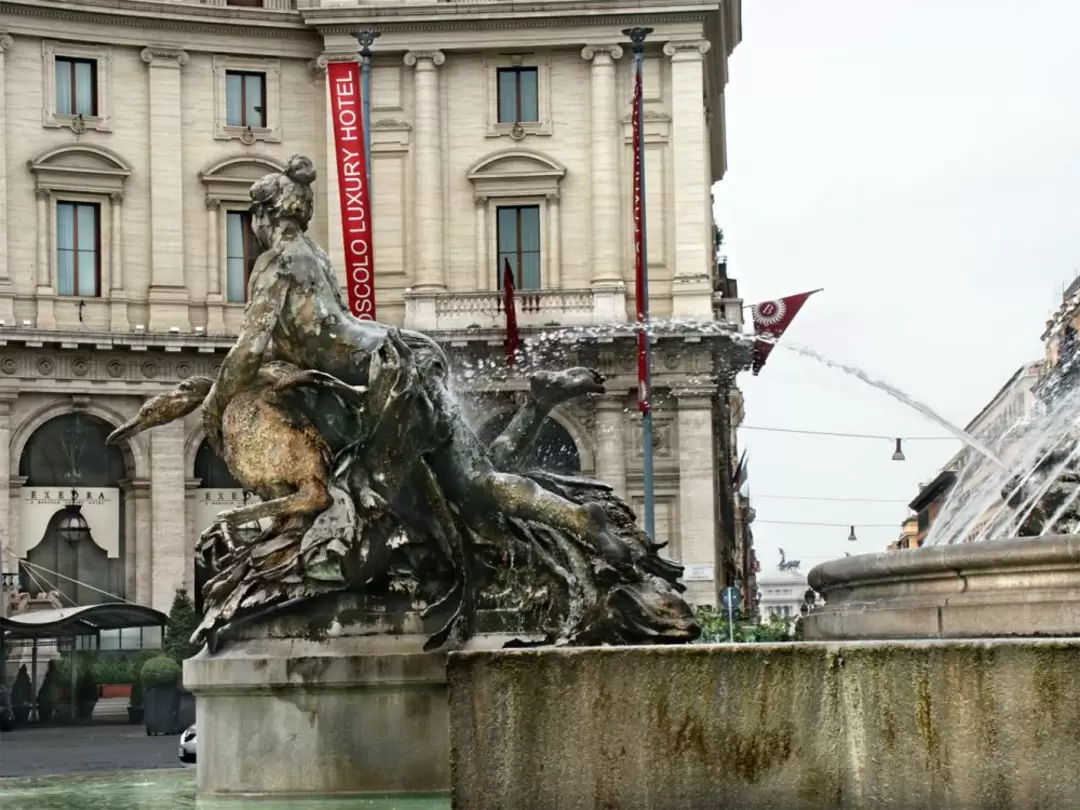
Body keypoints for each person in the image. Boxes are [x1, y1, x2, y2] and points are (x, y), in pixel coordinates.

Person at [201, 155, 632, 569]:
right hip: (403, 353)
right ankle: (567, 489)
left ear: (264, 215)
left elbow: (249, 349)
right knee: (472, 479)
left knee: (419, 493)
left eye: (253, 217)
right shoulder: (315, 256)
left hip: (380, 376)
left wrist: (216, 402)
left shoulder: (275, 263)